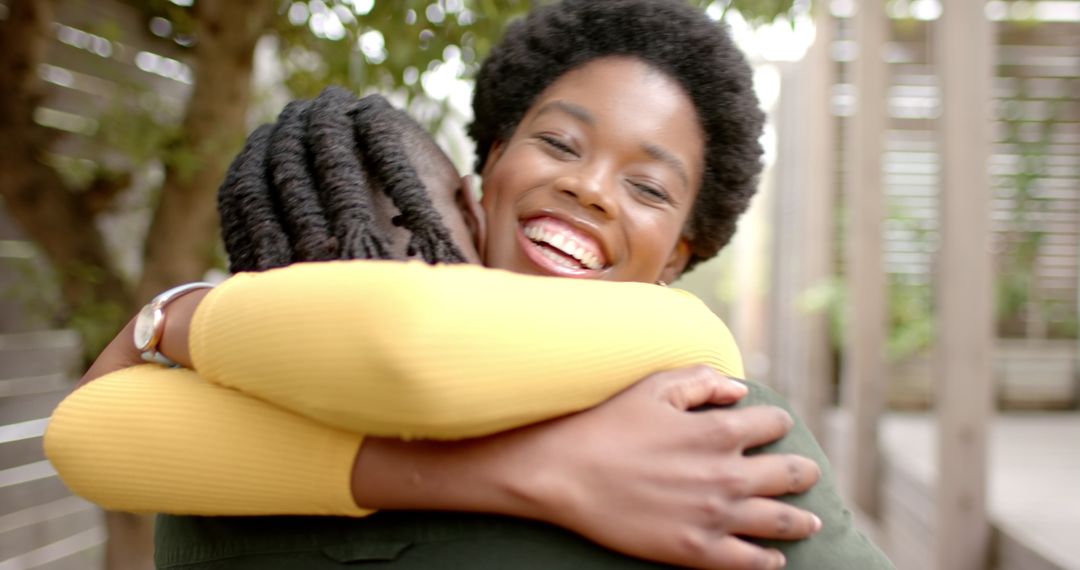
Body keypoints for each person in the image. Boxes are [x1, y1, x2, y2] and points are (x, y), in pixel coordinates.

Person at [46, 1, 893, 568]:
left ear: (681, 252)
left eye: (648, 187)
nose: (591, 188)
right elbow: (411, 343)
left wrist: (171, 318)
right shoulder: (232, 442)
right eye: (561, 144)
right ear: (481, 173)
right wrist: (542, 470)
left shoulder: (719, 437)